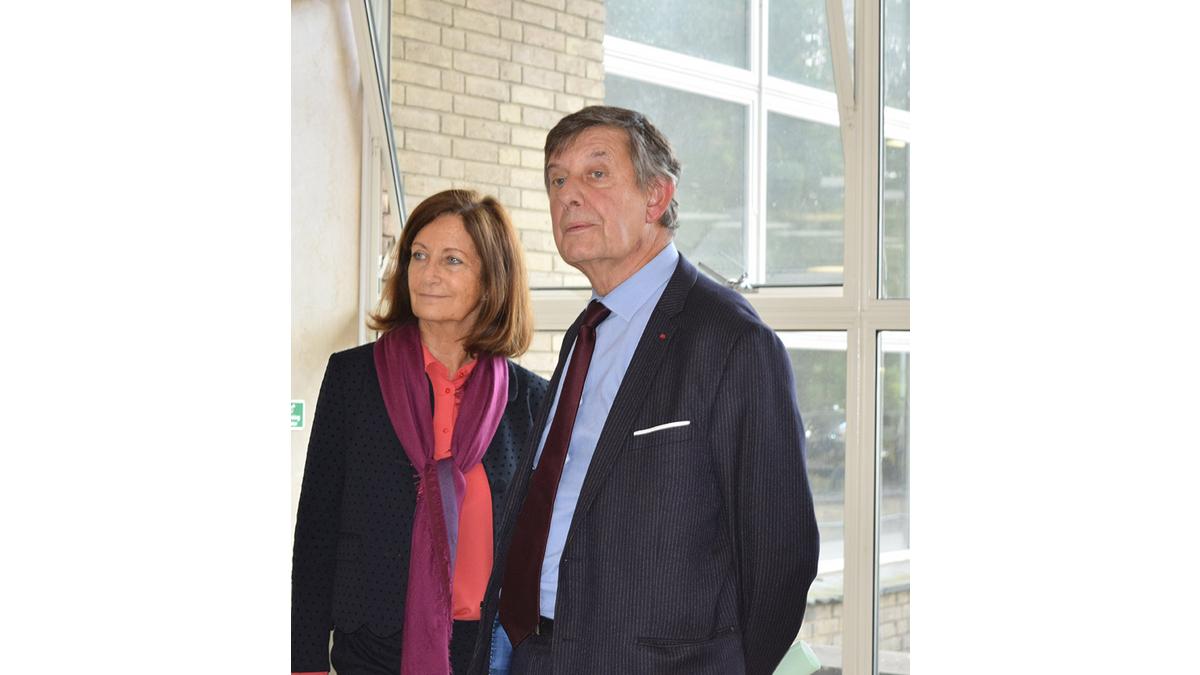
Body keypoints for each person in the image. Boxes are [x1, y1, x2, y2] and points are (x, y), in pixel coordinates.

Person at [469, 106, 820, 675]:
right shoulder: (587, 332)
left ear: (657, 196)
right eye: (556, 179)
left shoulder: (731, 340)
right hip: (532, 654)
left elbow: (781, 555)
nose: (568, 196)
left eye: (596, 174)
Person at [291, 189, 549, 675]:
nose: (428, 274)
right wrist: (304, 663)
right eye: (419, 255)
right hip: (370, 648)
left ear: (492, 280)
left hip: (488, 653)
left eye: (452, 260)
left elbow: (542, 547)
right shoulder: (354, 379)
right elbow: (316, 532)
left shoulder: (532, 400)